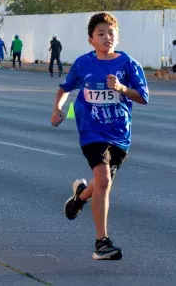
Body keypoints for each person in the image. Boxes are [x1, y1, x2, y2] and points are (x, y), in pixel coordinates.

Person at [51, 13, 149, 261]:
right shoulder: (84, 63)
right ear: (91, 39)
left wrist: (121, 89)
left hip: (119, 133)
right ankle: (101, 243)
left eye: (111, 33)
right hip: (91, 131)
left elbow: (143, 96)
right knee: (104, 179)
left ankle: (80, 197)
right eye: (101, 34)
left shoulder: (128, 64)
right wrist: (58, 108)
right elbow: (65, 87)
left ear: (117, 37)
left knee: (101, 182)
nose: (107, 37)